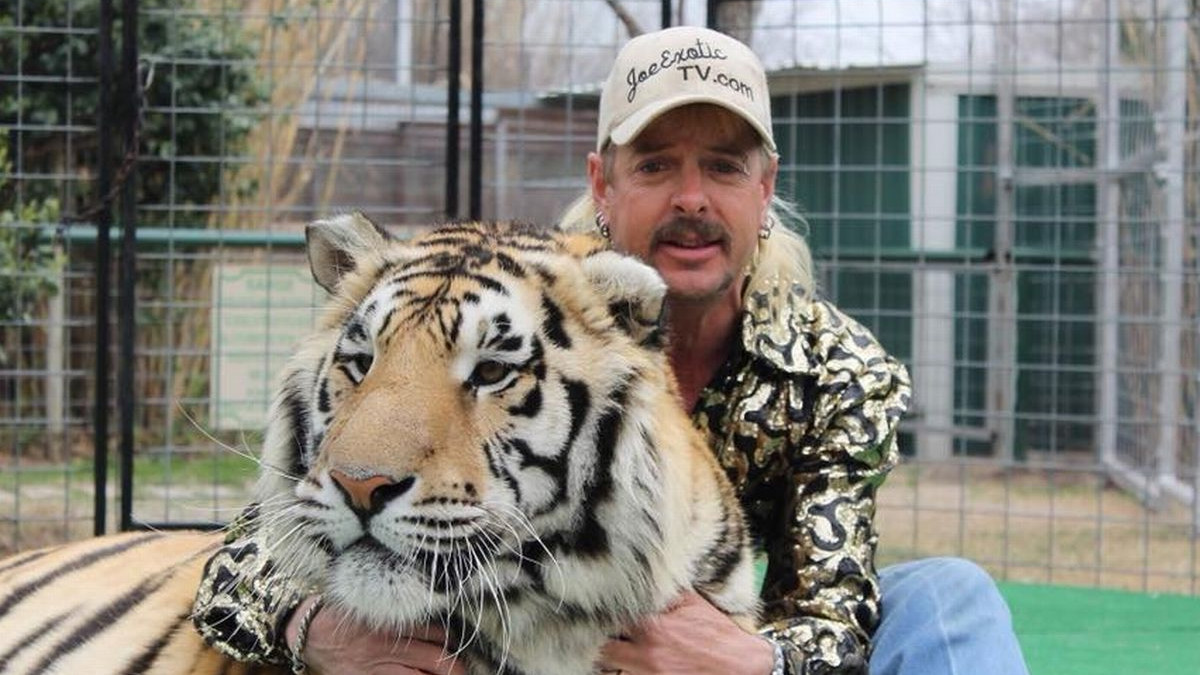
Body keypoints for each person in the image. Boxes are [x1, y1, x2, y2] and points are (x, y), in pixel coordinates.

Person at [193, 25, 1030, 675]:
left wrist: (752, 658)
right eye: (658, 164)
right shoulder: (529, 303)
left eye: (724, 167)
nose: (692, 198)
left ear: (764, 188)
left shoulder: (839, 369)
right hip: (511, 609)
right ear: (603, 183)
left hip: (728, 632)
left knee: (947, 593)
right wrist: (312, 626)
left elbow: (832, 612)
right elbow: (248, 551)